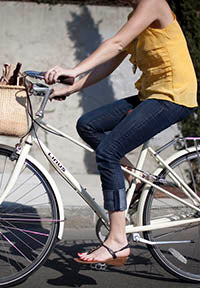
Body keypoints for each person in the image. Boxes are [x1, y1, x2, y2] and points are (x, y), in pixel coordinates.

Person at [44, 0, 198, 265]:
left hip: (173, 96)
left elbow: (114, 44)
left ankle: (117, 240)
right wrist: (71, 88)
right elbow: (112, 61)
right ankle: (134, 179)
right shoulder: (136, 14)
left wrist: (73, 69)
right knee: (88, 124)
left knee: (108, 151)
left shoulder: (153, 3)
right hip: (151, 95)